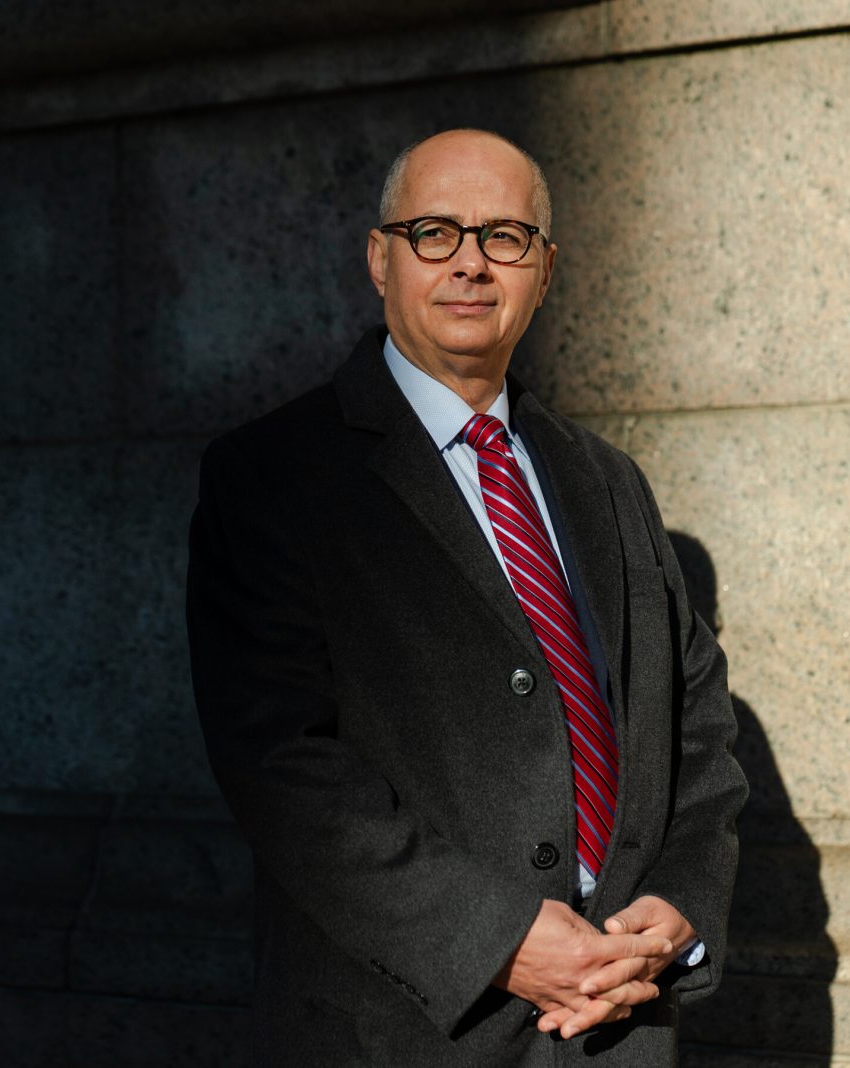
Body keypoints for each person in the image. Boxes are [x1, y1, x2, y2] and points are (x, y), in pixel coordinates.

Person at [187, 128, 747, 1066]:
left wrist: (679, 903)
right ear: (381, 258)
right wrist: (497, 942)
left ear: (546, 270)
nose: (471, 264)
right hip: (402, 1034)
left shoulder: (609, 482)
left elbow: (696, 722)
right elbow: (280, 762)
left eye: (505, 237)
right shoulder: (271, 475)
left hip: (619, 1024)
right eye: (435, 232)